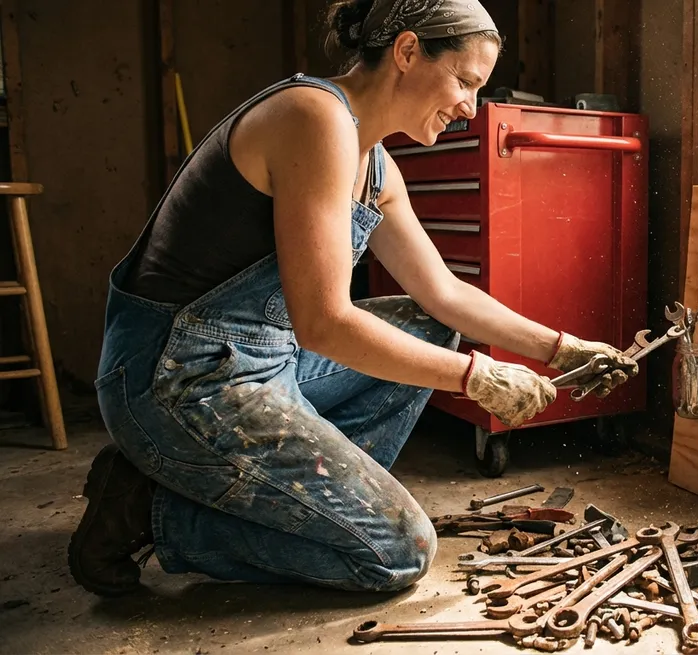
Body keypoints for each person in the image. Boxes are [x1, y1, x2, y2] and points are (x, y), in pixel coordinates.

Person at [67, 0, 636, 597]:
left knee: (427, 326)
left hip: (262, 360)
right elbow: (324, 324)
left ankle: (318, 512)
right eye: (465, 81)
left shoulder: (375, 162)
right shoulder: (313, 118)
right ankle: (150, 513)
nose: (470, 107)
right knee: (398, 553)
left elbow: (441, 293)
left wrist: (563, 349)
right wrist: (478, 378)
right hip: (175, 378)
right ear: (408, 51)